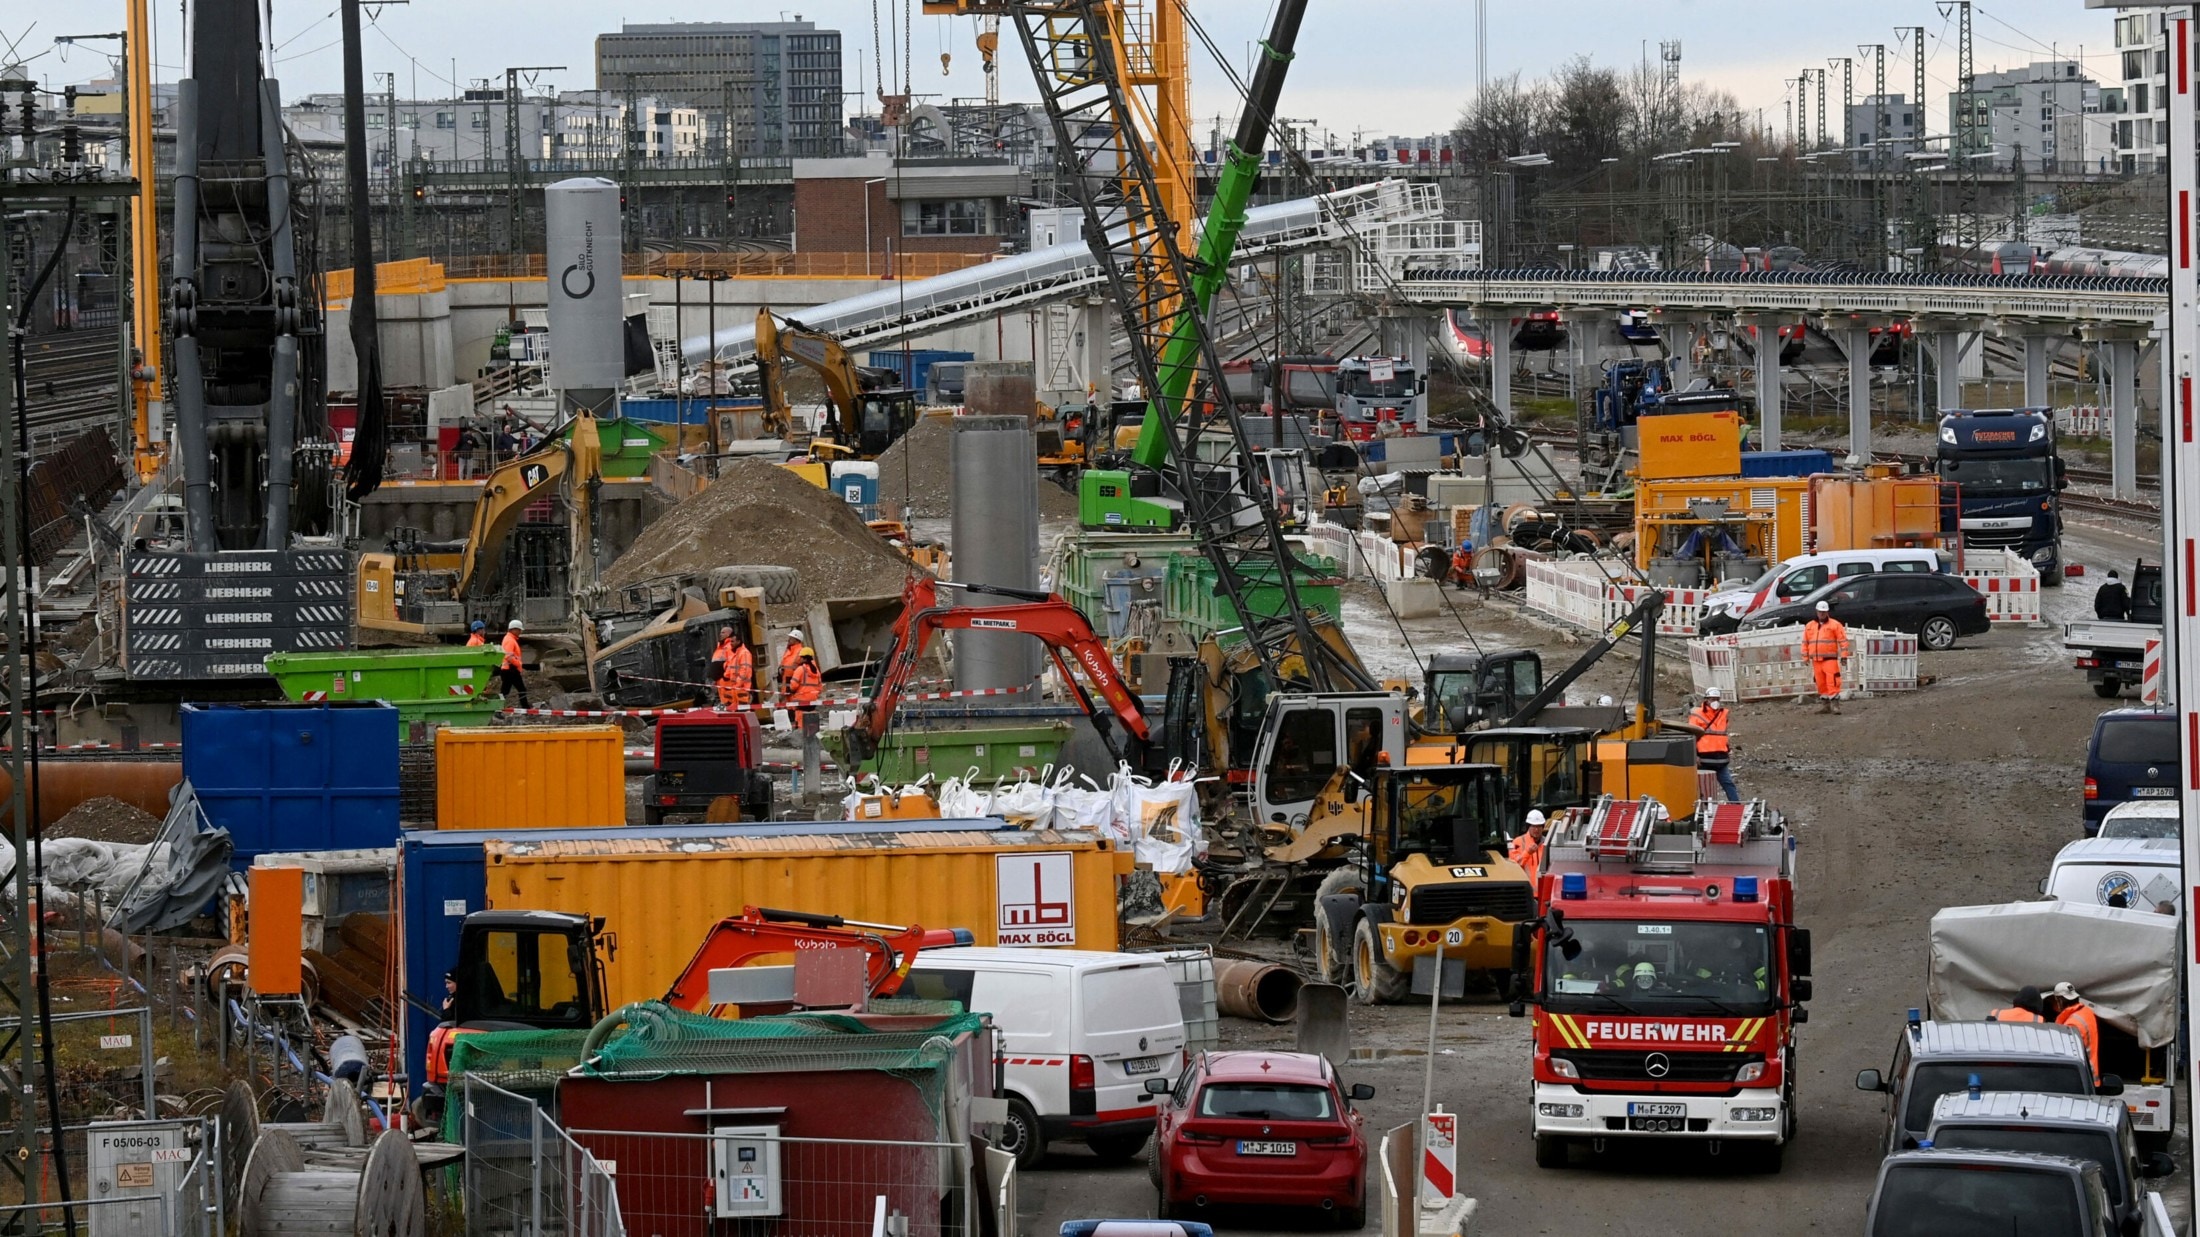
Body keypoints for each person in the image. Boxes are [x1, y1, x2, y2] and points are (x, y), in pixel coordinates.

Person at [1687, 686, 1739, 803]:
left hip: (1721, 759)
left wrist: (1727, 750)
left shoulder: (1723, 715)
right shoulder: (1697, 715)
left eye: (1717, 699)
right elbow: (1692, 736)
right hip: (1704, 760)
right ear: (1706, 700)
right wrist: (1695, 756)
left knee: (1728, 784)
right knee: (1702, 788)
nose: (1715, 702)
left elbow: (1723, 735)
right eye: (1712, 699)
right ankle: (1703, 809)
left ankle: (1736, 806)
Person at [2044, 981, 2102, 1081]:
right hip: (2091, 1073)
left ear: (2059, 1001)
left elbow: (2066, 1056)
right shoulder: (2087, 1012)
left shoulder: (2071, 1025)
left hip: (2081, 1077)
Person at [1801, 600, 1848, 714]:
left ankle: (1835, 706)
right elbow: (1805, 642)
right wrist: (1805, 658)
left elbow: (1843, 641)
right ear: (1816, 612)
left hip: (1830, 659)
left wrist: (1844, 656)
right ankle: (1826, 706)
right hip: (1816, 661)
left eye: (1824, 611)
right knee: (1821, 683)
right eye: (1820, 611)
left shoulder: (1835, 625)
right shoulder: (1810, 626)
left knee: (1832, 682)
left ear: (1827, 612)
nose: (1822, 614)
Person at [782, 643, 823, 731]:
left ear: (804, 658)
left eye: (800, 657)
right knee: (812, 727)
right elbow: (820, 688)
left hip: (801, 702)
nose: (799, 659)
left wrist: (791, 690)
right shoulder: (817, 671)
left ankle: (802, 739)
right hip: (812, 701)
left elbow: (793, 686)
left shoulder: (800, 670)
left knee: (801, 726)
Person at [711, 624, 754, 709]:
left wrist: (737, 682)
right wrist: (725, 676)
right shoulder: (733, 652)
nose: (731, 644)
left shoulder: (743, 653)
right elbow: (728, 666)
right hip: (731, 686)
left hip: (740, 687)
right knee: (733, 708)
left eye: (723, 632)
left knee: (743, 708)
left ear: (738, 641)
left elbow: (745, 670)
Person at [497, 619, 530, 707]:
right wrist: (518, 664)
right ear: (513, 629)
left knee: (507, 690)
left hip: (509, 670)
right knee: (519, 689)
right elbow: (508, 656)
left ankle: (498, 708)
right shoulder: (510, 640)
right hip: (510, 670)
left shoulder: (510, 639)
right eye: (519, 630)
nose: (520, 632)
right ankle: (526, 708)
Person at [1508, 809, 1549, 875]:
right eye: (1533, 826)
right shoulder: (1516, 842)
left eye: (1539, 826)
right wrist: (1527, 852)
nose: (1536, 829)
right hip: (1526, 884)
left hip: (1542, 884)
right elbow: (1514, 866)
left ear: (1543, 827)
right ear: (1528, 827)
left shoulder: (1547, 842)